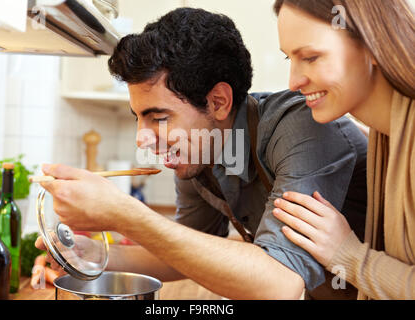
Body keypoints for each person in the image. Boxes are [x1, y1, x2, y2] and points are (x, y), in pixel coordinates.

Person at [35, 7, 368, 299]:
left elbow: (279, 284)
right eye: (139, 118)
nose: (142, 140)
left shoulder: (302, 127)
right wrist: (92, 255)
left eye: (159, 118)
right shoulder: (198, 156)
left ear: (218, 102)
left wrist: (123, 214)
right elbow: (186, 248)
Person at [272, 0, 415, 300]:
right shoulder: (385, 135)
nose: (293, 82)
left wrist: (346, 254)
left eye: (310, 57)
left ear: (373, 45)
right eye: (290, 59)